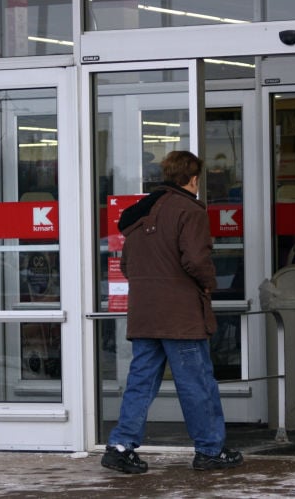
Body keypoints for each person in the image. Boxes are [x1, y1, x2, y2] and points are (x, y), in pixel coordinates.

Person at [101, 150, 243, 473]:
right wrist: (208, 284)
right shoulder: (189, 211)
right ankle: (209, 449)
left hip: (145, 315)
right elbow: (196, 260)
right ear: (193, 179)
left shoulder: (140, 214)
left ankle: (121, 445)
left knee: (140, 382)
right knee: (197, 383)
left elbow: (126, 264)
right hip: (180, 317)